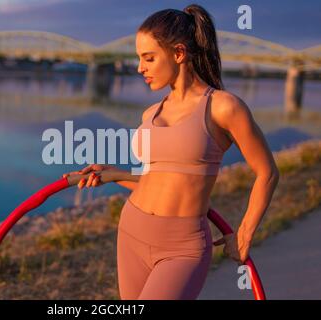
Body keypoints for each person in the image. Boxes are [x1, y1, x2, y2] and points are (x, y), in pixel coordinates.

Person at [63, 4, 279, 300]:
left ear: (178, 53)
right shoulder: (151, 112)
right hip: (132, 231)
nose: (140, 68)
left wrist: (244, 233)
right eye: (139, 59)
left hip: (182, 247)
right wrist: (112, 174)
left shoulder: (223, 107)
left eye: (149, 58)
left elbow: (267, 172)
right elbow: (159, 178)